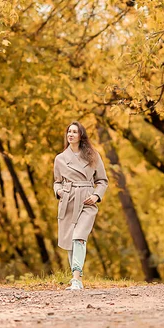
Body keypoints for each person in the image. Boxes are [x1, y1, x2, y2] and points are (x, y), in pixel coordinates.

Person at [53, 121, 109, 290]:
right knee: (70, 240)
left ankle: (77, 278)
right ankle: (74, 277)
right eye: (69, 131)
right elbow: (56, 182)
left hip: (86, 200)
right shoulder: (60, 159)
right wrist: (59, 192)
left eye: (74, 132)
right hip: (68, 200)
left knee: (79, 237)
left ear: (81, 136)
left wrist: (96, 195)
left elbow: (102, 181)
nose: (70, 134)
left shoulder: (93, 156)